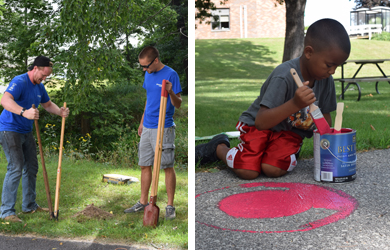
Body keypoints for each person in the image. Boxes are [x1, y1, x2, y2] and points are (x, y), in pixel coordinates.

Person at [195, 18, 350, 180]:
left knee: (272, 169)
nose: (332, 71)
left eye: (337, 67)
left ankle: (277, 153)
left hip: (289, 133)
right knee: (247, 171)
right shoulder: (283, 76)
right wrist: (295, 104)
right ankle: (218, 148)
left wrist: (329, 147)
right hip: (259, 127)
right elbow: (261, 121)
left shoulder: (326, 80)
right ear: (309, 52)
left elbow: (325, 117)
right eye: (329, 65)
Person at [0, 56, 69, 223]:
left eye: (47, 77)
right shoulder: (20, 81)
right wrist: (24, 112)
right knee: (15, 167)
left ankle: (29, 205)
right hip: (10, 129)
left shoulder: (39, 86)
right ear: (35, 68)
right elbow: (5, 100)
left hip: (26, 130)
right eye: (43, 75)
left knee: (31, 167)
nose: (44, 79)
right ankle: (6, 212)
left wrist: (60, 112)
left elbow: (47, 104)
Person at [122, 46, 183, 220]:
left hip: (164, 127)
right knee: (144, 165)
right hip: (148, 127)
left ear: (155, 60)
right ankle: (142, 202)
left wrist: (170, 90)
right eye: (142, 66)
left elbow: (178, 104)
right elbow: (149, 99)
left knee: (167, 166)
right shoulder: (148, 74)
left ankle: (170, 206)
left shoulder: (171, 74)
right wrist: (142, 122)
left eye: (146, 65)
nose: (144, 69)